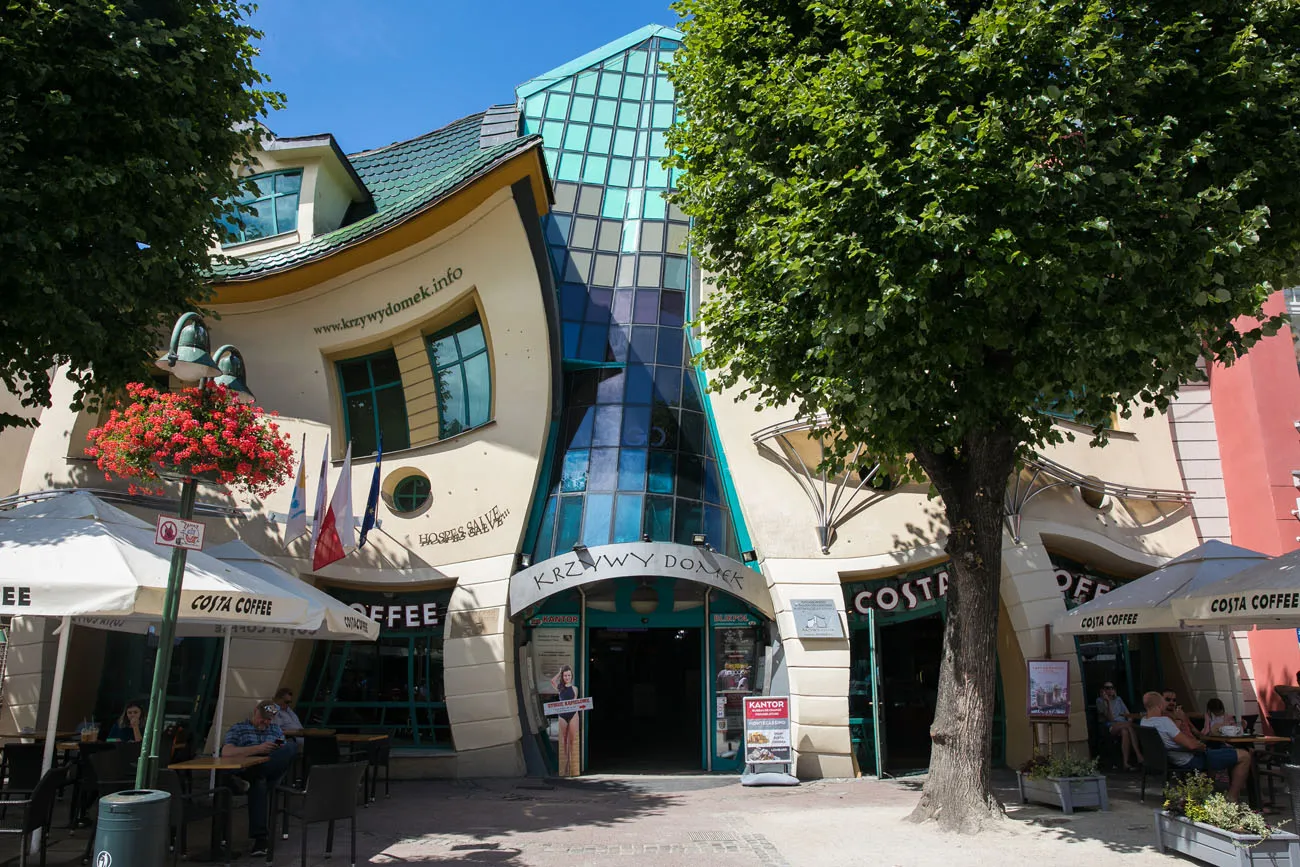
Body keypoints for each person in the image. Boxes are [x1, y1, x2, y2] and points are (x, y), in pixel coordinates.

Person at [1141, 691, 1251, 802]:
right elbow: (1191, 745)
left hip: (1171, 758)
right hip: (1188, 759)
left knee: (1223, 753)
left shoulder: (1144, 722)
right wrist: (1199, 745)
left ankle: (1205, 792)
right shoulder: (1164, 721)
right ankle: (1232, 798)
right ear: (1160, 705)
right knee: (1244, 755)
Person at [223, 700, 299, 856]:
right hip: (248, 772)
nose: (265, 722)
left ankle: (258, 770)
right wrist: (257, 749)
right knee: (259, 783)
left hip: (269, 770)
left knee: (291, 746)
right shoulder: (239, 729)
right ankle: (260, 840)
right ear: (255, 711)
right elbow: (226, 752)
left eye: (269, 719)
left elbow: (283, 751)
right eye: (263, 717)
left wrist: (274, 748)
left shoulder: (275, 729)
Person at [1095, 683, 1143, 770]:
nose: (1110, 690)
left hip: (1123, 724)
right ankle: (1138, 754)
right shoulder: (1099, 701)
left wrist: (1129, 719)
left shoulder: (1118, 699)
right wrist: (1108, 702)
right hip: (1110, 725)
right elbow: (1111, 719)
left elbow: (1127, 714)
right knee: (1129, 726)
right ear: (1103, 690)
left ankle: (1125, 763)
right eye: (1107, 688)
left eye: (1112, 688)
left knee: (1125, 731)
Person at [549, 665, 579, 777]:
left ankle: (572, 766)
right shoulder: (560, 688)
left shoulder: (575, 688)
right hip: (562, 715)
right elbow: (552, 681)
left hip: (573, 714)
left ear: (571, 676)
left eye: (569, 675)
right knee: (564, 740)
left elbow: (575, 702)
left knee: (571, 741)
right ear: (563, 676)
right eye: (565, 675)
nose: (567, 677)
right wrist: (559, 672)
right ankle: (565, 766)